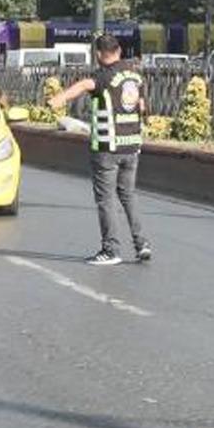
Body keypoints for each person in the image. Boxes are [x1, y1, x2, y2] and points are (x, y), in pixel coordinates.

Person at [49, 34, 152, 266]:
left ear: (98, 54)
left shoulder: (103, 76)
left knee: (105, 200)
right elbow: (143, 107)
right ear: (119, 51)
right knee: (128, 196)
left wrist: (58, 99)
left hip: (108, 147)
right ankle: (142, 244)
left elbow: (85, 85)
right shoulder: (135, 75)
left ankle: (111, 250)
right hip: (132, 146)